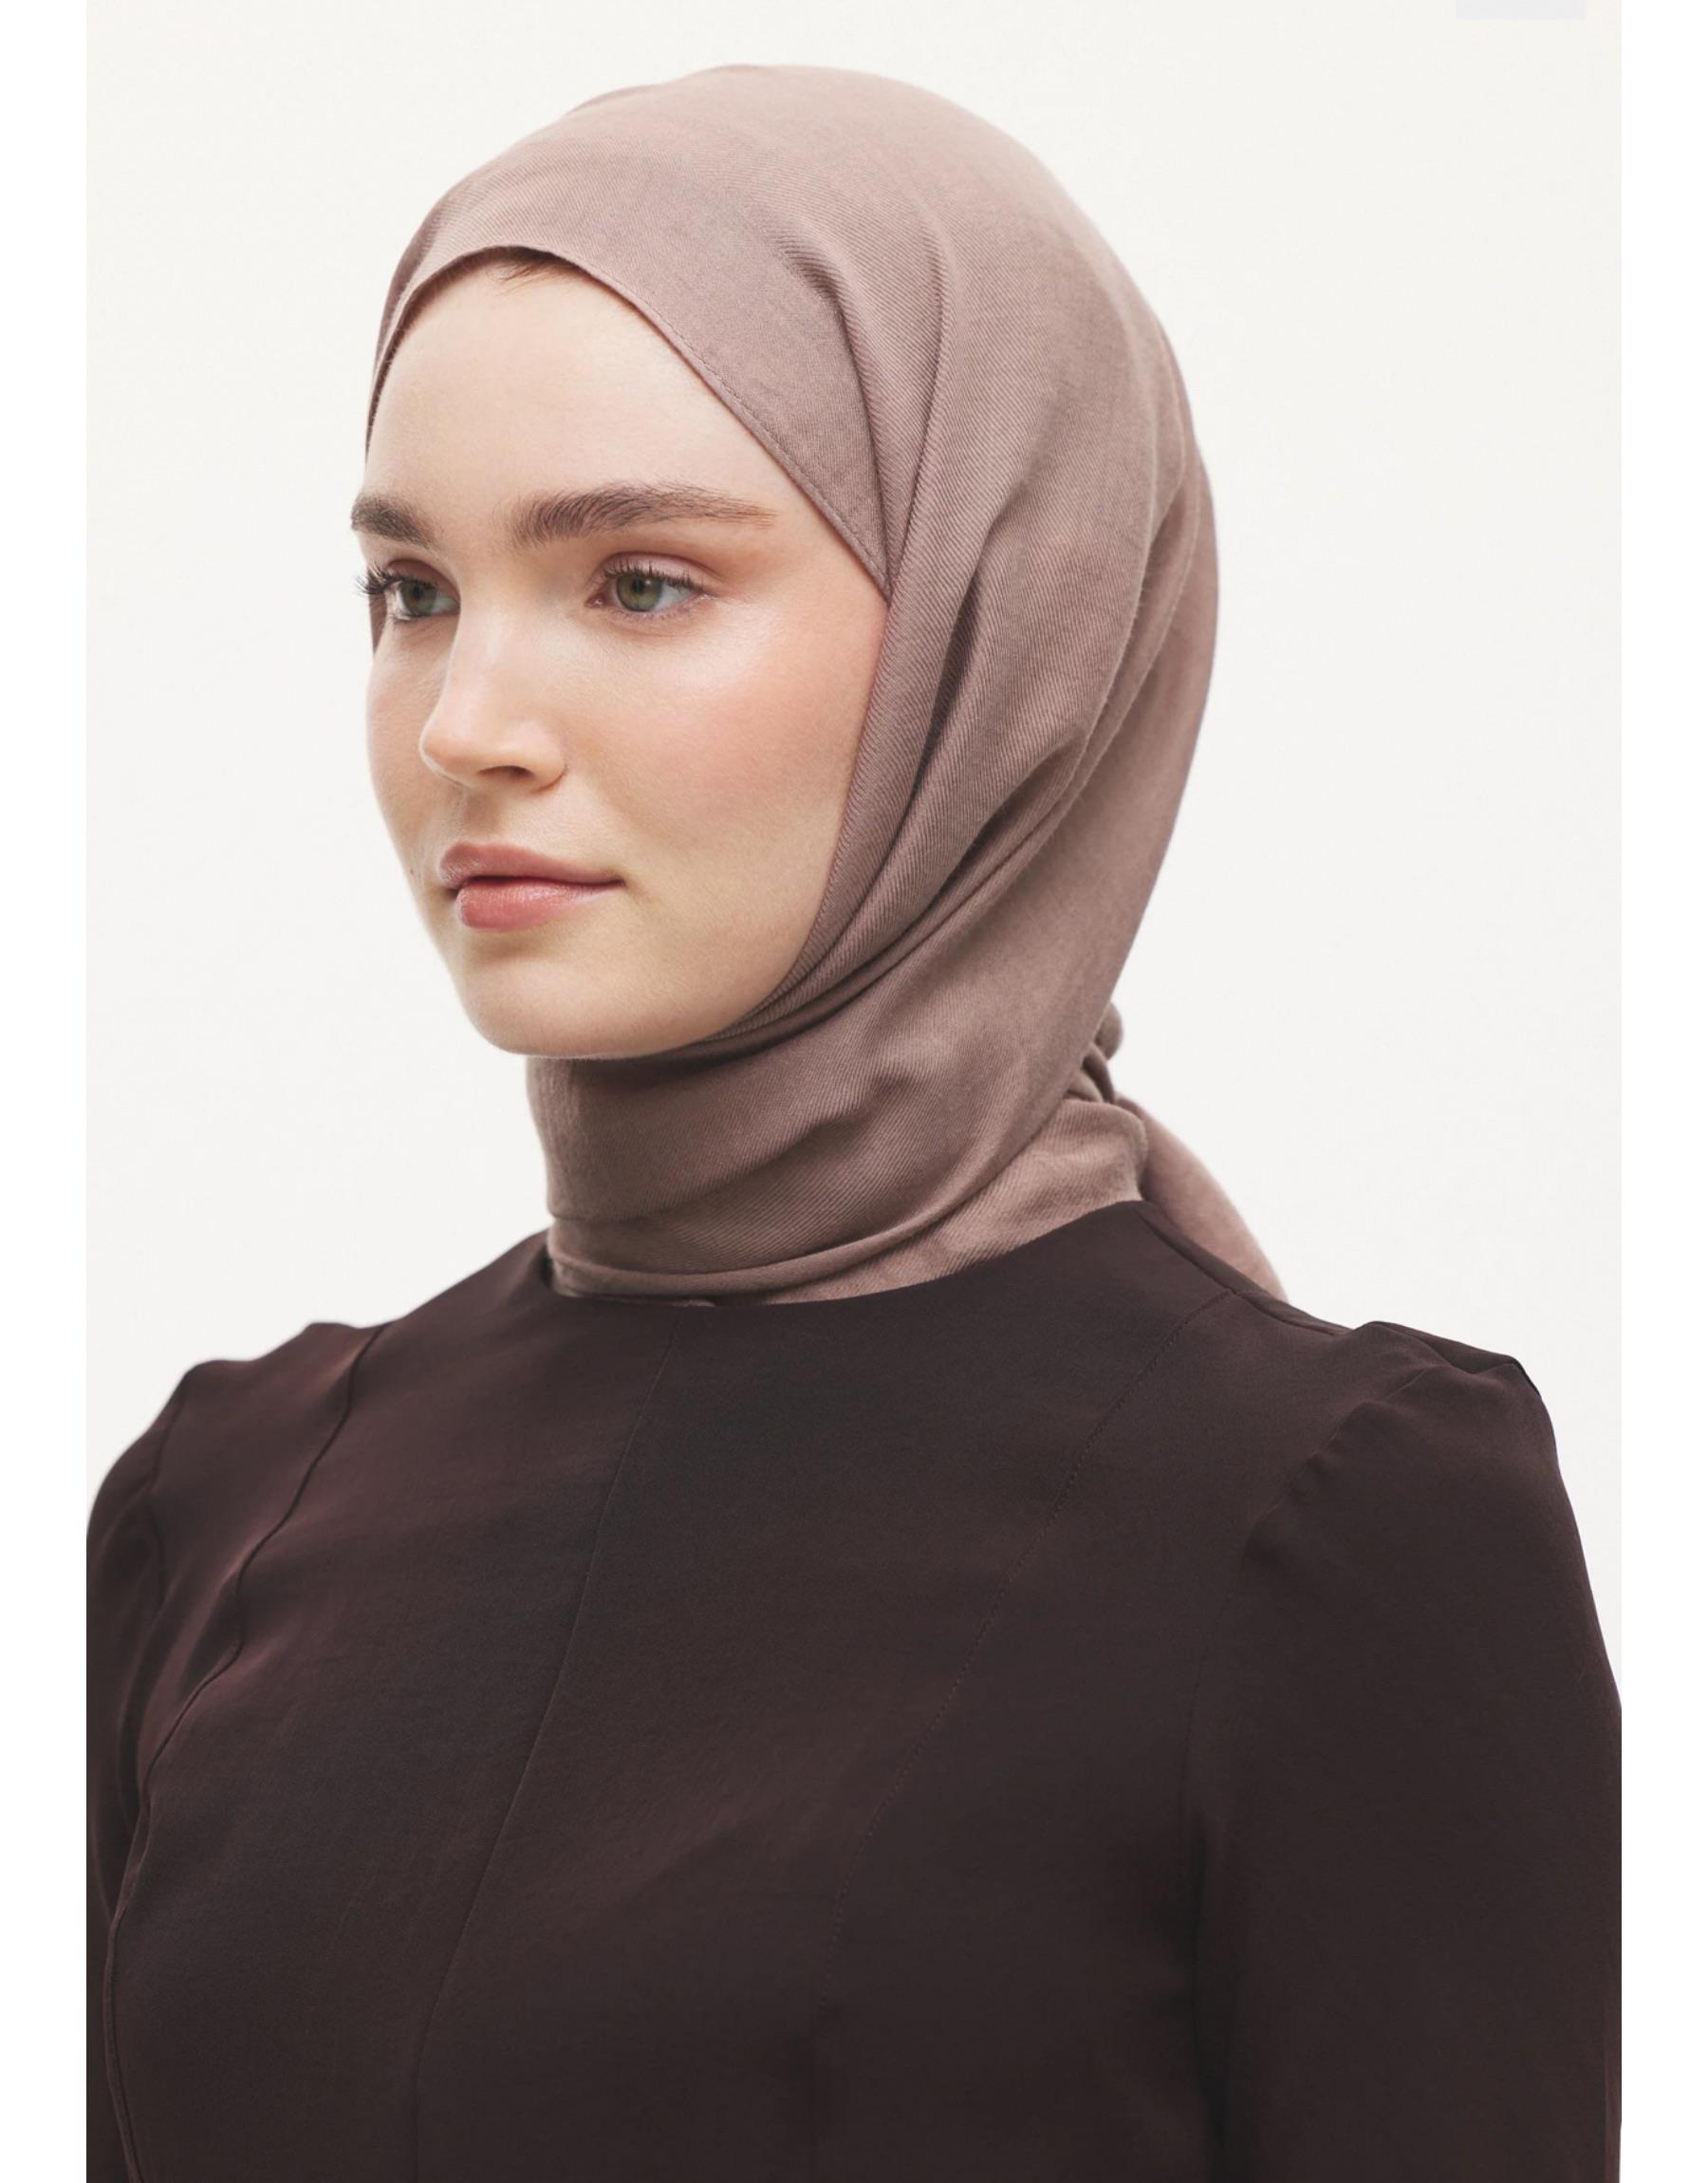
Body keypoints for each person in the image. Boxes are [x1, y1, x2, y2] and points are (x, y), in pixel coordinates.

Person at [87, 63, 1620, 2182]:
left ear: (1005, 629)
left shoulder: (1330, 1529)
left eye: (640, 582)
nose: (467, 725)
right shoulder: (228, 1505)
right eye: (410, 592)